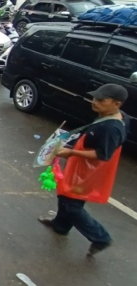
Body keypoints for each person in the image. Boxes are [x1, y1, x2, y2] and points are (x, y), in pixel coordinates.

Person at [38, 84, 129, 256]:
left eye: (101, 100)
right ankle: (61, 226)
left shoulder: (112, 128)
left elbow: (103, 155)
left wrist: (71, 152)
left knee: (72, 204)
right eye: (95, 98)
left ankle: (101, 238)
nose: (94, 102)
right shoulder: (113, 117)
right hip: (80, 166)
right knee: (65, 195)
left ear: (117, 103)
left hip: (88, 172)